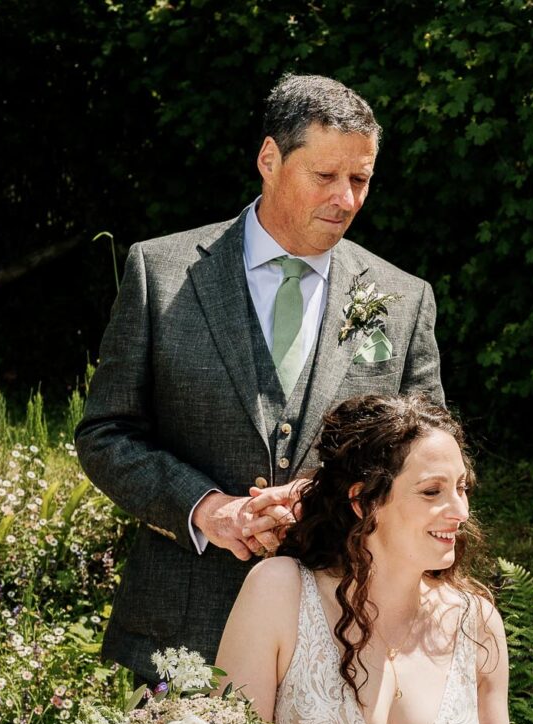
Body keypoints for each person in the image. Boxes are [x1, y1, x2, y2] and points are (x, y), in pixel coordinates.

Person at [76, 73, 443, 680]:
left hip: (345, 632)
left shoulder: (402, 300)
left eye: (361, 180)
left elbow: (429, 466)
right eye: (325, 177)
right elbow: (106, 434)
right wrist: (206, 509)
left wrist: (324, 498)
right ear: (269, 159)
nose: (346, 200)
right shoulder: (160, 273)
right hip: (182, 630)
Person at [214, 394, 533, 724]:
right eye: (432, 491)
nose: (460, 511)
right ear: (364, 501)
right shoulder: (279, 591)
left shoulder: (477, 622)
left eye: (462, 488)